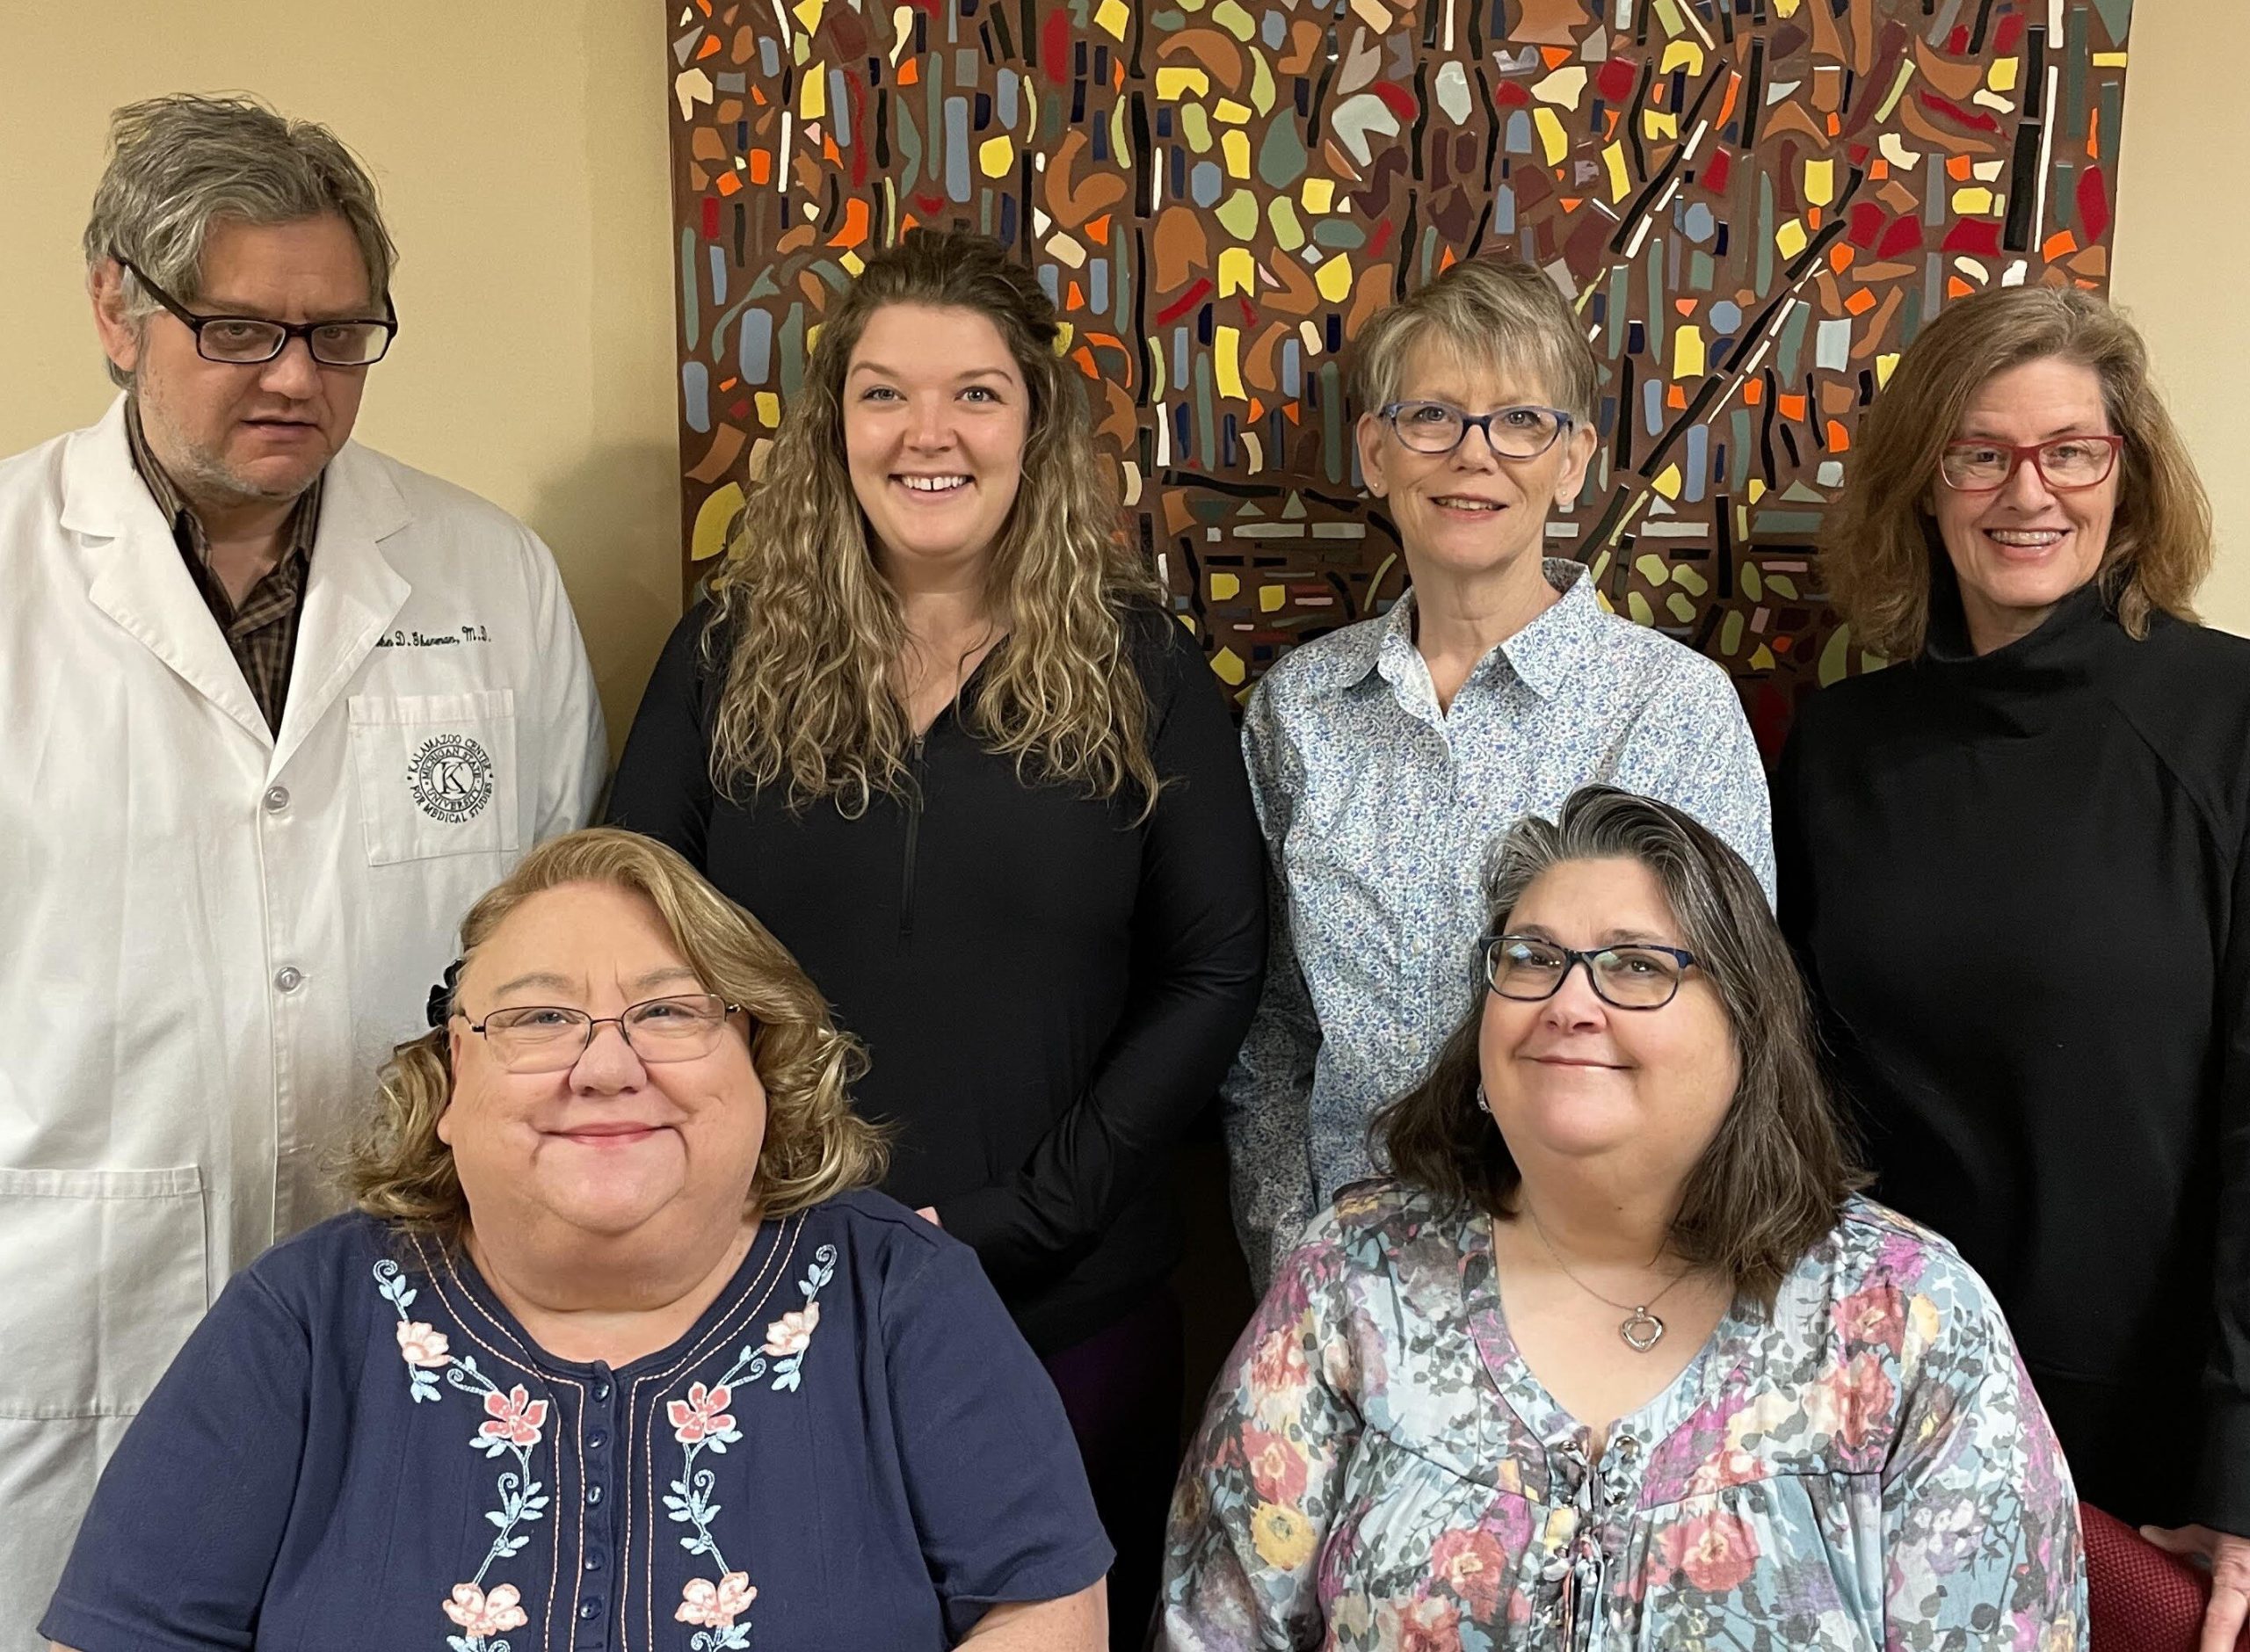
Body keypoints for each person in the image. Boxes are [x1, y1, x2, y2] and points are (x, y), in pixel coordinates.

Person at [0, 93, 606, 1641]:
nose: (294, 377)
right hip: (75, 1300)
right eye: (242, 328)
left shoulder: (486, 578)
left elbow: (556, 956)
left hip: (421, 1293)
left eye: (339, 335)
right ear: (115, 309)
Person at [605, 228, 1264, 1646]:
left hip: (1064, 1304)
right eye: (885, 393)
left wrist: (1029, 1216)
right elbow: (629, 941)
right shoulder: (724, 657)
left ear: (1035, 423)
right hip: (753, 1291)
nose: (929, 434)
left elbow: (1212, 970)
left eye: (975, 393)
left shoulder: (1145, 665)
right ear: (835, 423)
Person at [39, 828, 1110, 1651]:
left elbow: (1045, 1610)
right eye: (539, 1017)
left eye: (671, 1011)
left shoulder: (901, 1292)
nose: (605, 1067)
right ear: (449, 1082)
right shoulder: (305, 1317)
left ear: (765, 1067)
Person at [1158, 786, 2086, 1648]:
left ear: (1746, 1032)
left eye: (1636, 965)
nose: (1568, 1002)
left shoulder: (1909, 1318)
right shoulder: (1351, 1278)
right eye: (1529, 958)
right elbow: (1214, 1630)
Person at [1775, 281, 2250, 1643]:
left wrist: (2242, 1461)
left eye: (2071, 452)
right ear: (1925, 483)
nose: (2025, 491)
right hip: (1876, 1405)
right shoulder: (1843, 747)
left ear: (2130, 477)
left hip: (2148, 1442)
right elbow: (1791, 1093)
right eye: (1979, 453)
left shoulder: (2230, 723)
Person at [1222, 257, 1774, 1291]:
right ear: (1375, 452)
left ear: (1572, 461)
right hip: (1353, 1281)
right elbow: (1270, 1037)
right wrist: (1291, 1259)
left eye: (1520, 420)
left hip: (1604, 1280)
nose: (1472, 455)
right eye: (1431, 414)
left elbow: (1727, 1035)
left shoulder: (1672, 710)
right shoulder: (1298, 711)